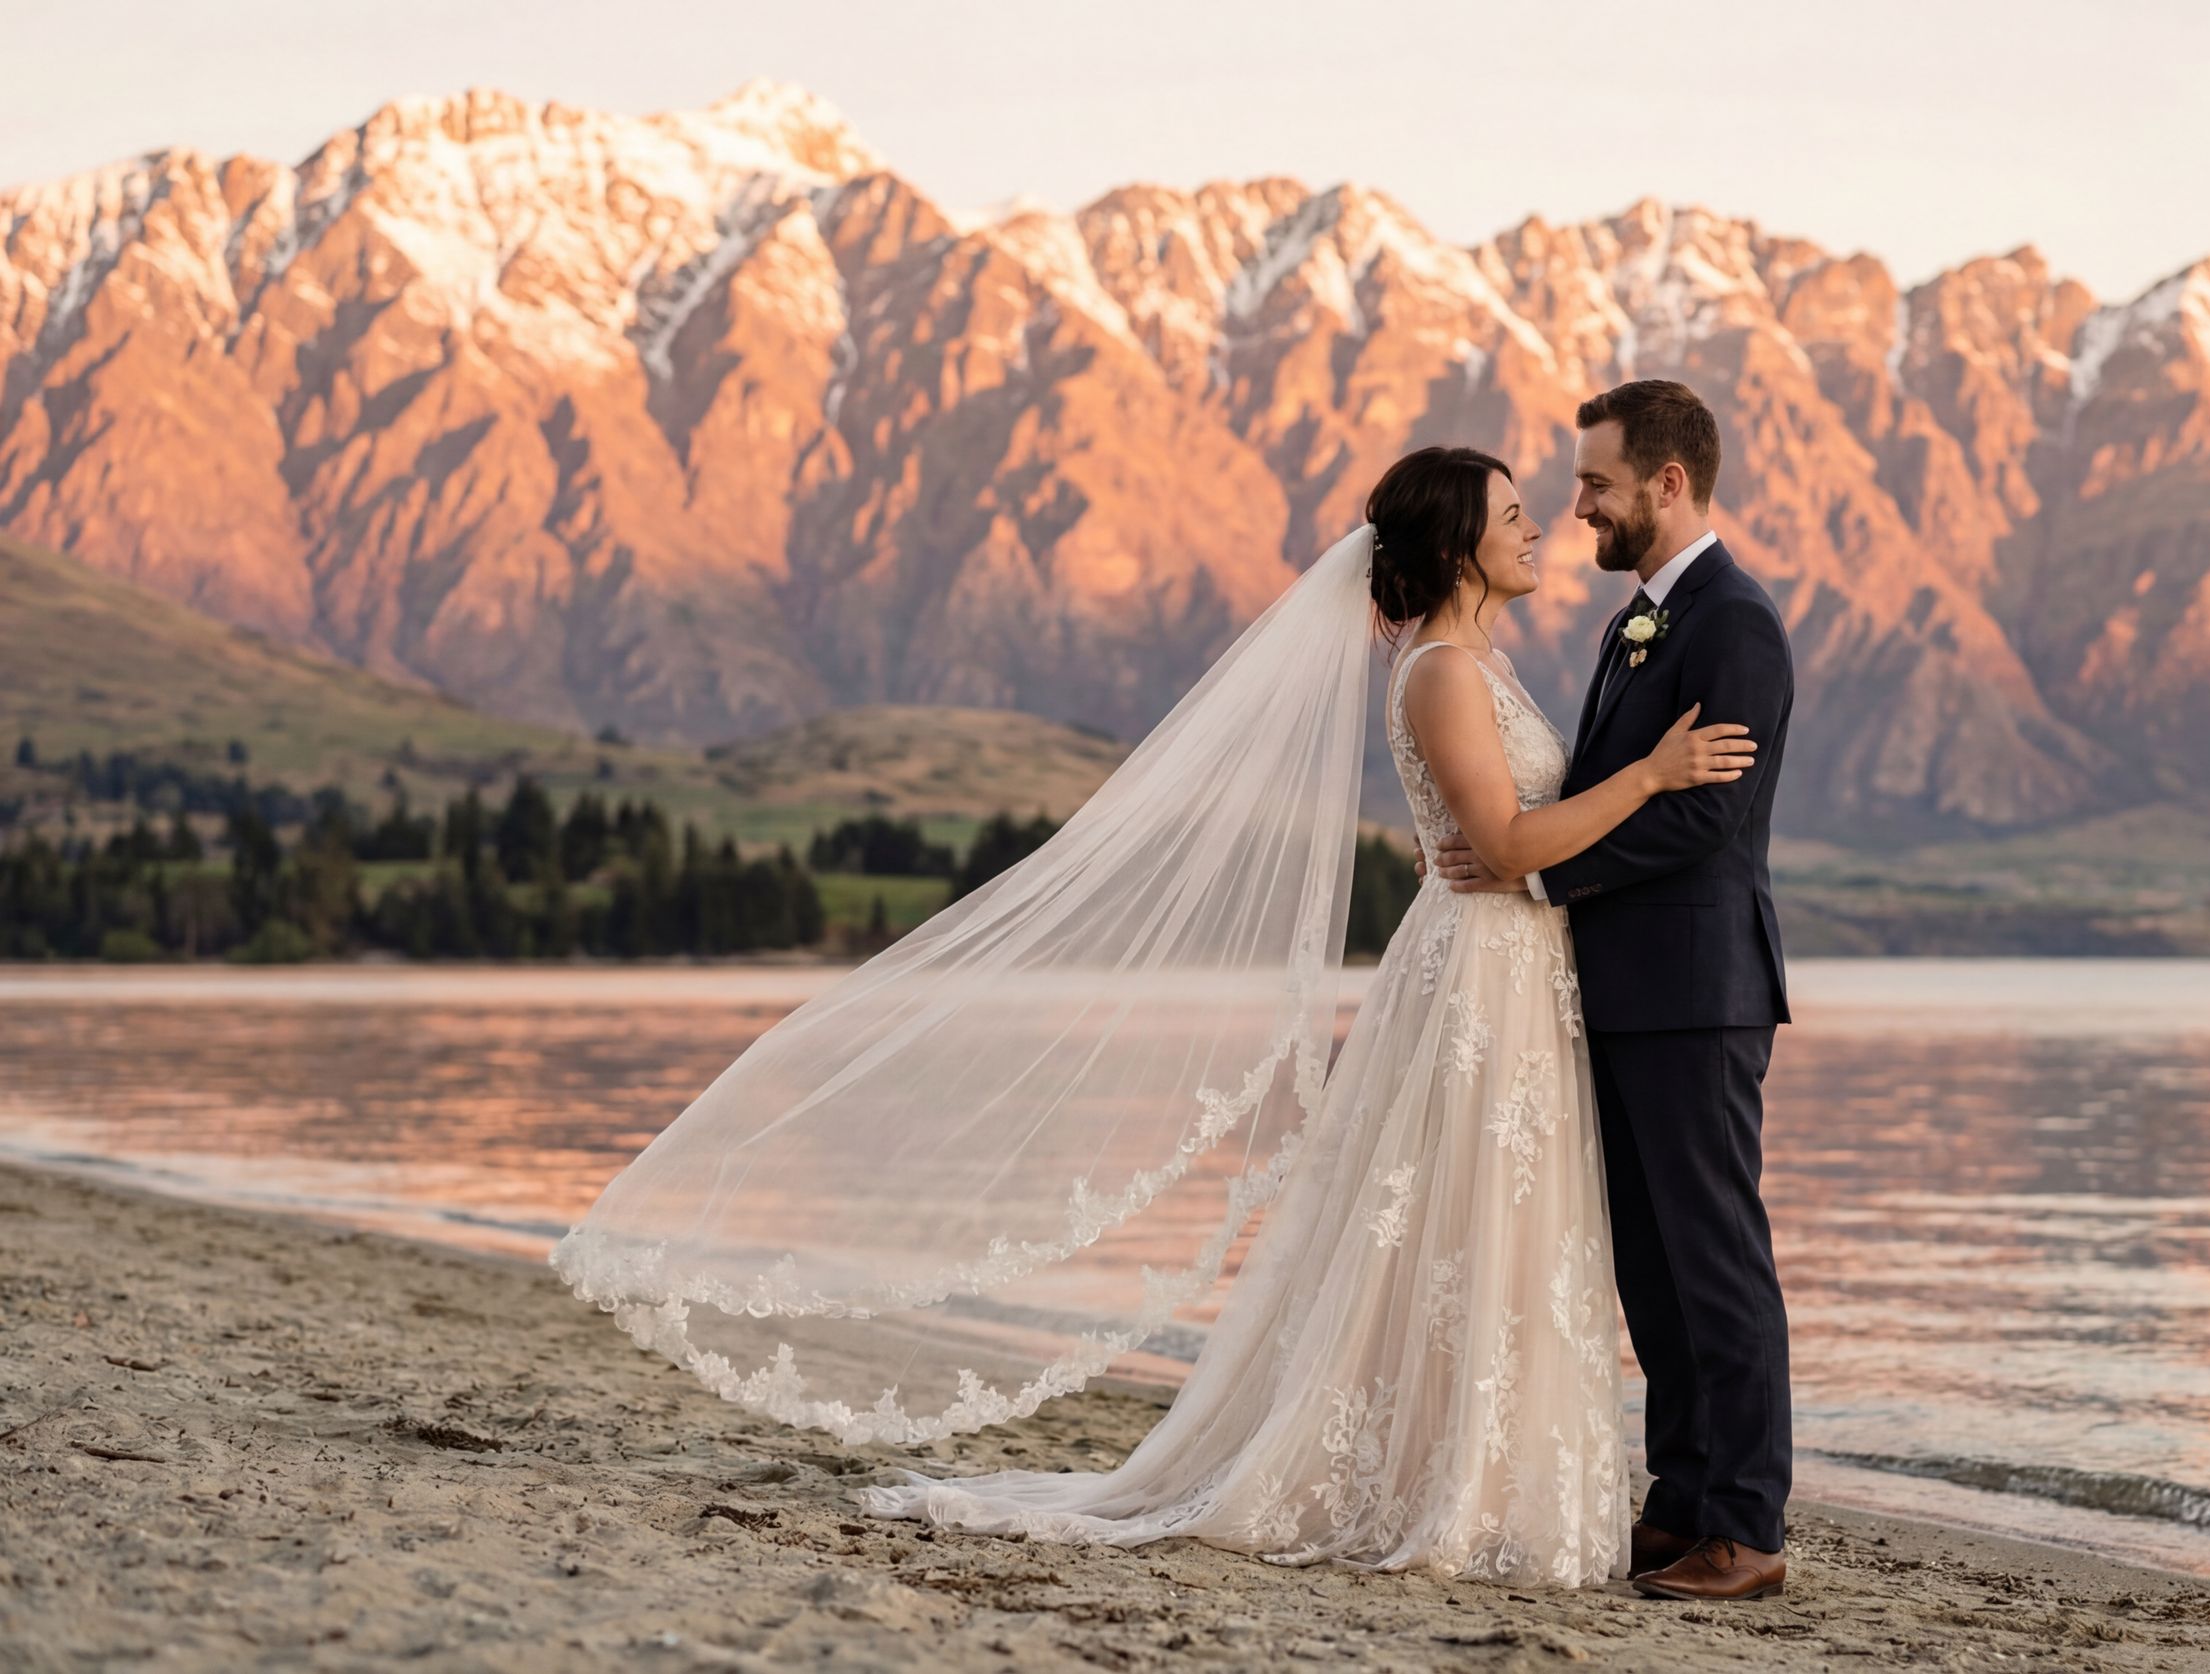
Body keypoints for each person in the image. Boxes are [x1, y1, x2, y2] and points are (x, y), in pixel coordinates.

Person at [552, 443, 1759, 1589]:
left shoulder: (1483, 667)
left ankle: (1485, 1474)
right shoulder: (1443, 673)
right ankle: (1451, 1485)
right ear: (1455, 550)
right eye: (1509, 514)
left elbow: (1497, 834)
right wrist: (1649, 775)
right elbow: (1499, 842)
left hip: (1515, 969)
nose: (1540, 523)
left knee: (1485, 1226)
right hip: (1482, 976)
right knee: (1458, 1221)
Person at [1431, 380, 1800, 1602]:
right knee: (1652, 1264)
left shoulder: (1732, 623)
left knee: (1716, 1257)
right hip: (1622, 989)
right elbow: (1618, 784)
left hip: (1697, 989)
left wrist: (1533, 877)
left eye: (1594, 484)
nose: (1577, 505)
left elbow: (1706, 814)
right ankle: (1681, 1498)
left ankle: (1746, 1526)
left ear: (1668, 483)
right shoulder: (1636, 621)